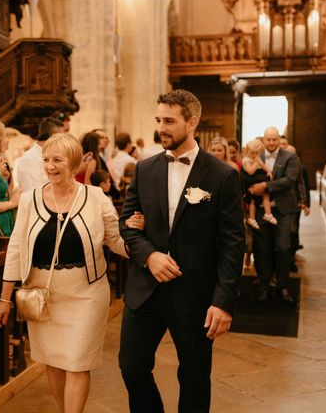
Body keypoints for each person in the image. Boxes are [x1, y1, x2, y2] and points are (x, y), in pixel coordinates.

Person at [118, 89, 245, 413]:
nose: (162, 127)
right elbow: (126, 224)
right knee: (131, 366)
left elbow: (233, 242)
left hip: (195, 292)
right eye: (159, 119)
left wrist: (223, 301)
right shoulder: (144, 170)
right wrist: (149, 255)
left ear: (192, 122)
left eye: (170, 121)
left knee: (194, 376)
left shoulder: (221, 175)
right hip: (146, 288)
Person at [0, 133, 127, 413]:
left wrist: (141, 242)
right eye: (46, 160)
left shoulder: (95, 197)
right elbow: (16, 250)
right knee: (53, 363)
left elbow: (115, 240)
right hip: (43, 297)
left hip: (86, 295)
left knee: (77, 363)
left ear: (75, 163)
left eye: (57, 160)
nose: (50, 166)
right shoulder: (30, 199)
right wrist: (4, 299)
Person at [248, 126, 301, 303]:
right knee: (262, 249)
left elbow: (290, 180)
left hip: (283, 209)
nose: (271, 143)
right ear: (263, 140)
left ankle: (283, 286)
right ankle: (265, 285)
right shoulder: (257, 155)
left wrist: (265, 186)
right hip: (261, 209)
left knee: (283, 248)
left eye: (274, 139)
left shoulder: (290, 156)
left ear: (279, 140)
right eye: (268, 139)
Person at [15, 117, 63, 191]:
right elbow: (33, 193)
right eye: (61, 138)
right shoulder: (29, 159)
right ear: (52, 137)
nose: (63, 142)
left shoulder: (57, 156)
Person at [241, 139, 278, 229]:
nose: (255, 155)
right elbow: (250, 171)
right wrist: (256, 163)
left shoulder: (256, 158)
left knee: (265, 195)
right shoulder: (246, 160)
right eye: (252, 153)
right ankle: (252, 218)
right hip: (251, 181)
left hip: (257, 180)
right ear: (247, 152)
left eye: (257, 153)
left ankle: (267, 214)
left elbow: (263, 166)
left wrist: (269, 172)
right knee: (252, 200)